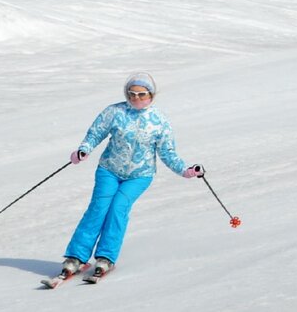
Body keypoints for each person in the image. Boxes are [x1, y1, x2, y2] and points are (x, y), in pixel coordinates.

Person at [48, 71, 202, 285]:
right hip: (109, 169)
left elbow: (168, 153)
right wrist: (84, 150)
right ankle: (76, 257)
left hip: (140, 175)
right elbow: (95, 133)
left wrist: (186, 170)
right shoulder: (115, 112)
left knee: (118, 208)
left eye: (142, 94)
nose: (136, 98)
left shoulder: (159, 121)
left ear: (151, 94)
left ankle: (105, 257)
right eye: (132, 94)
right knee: (98, 209)